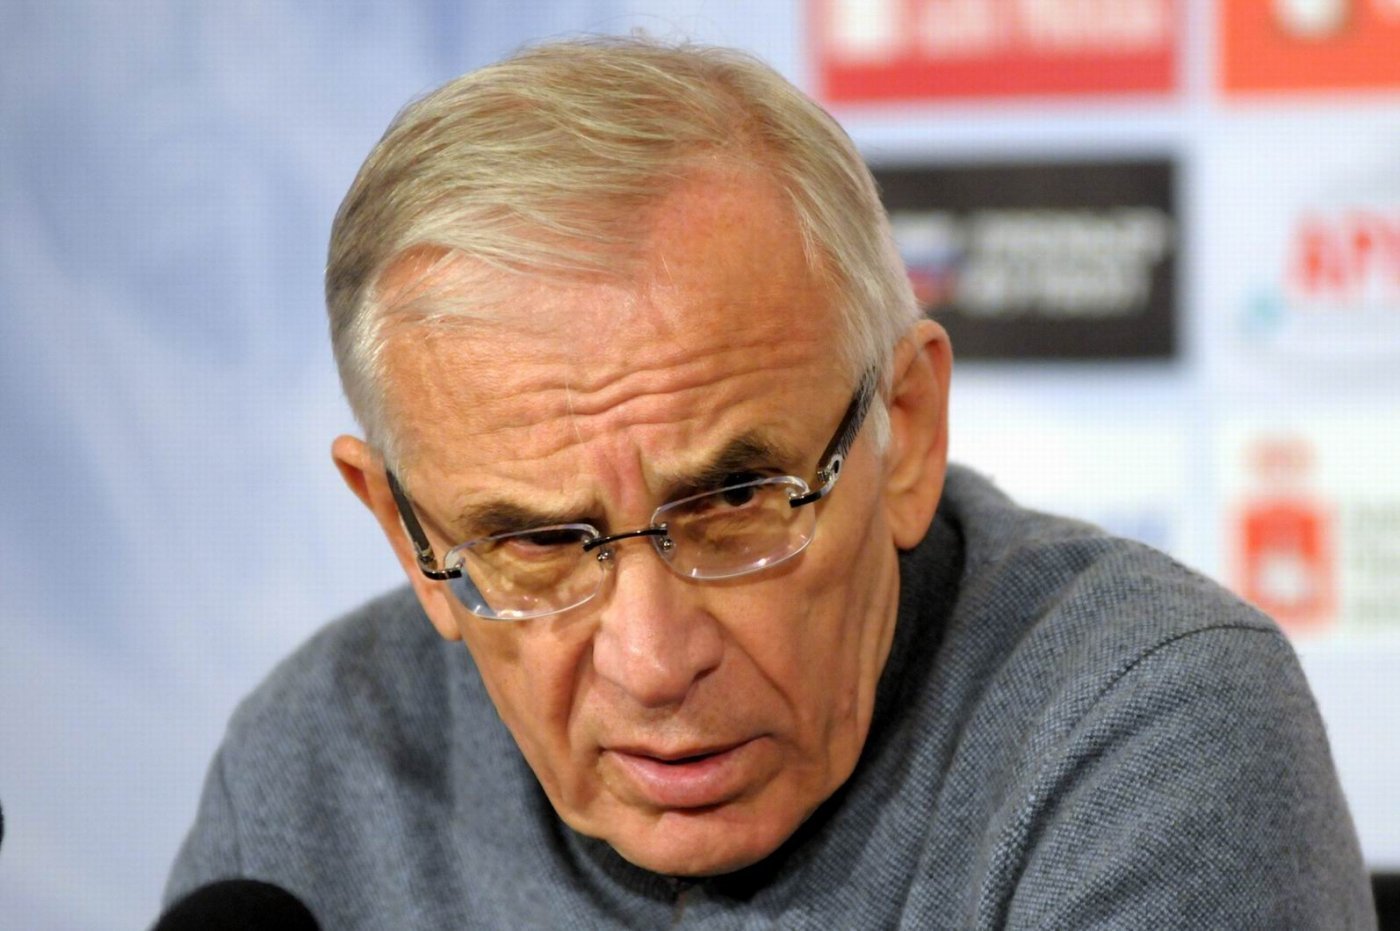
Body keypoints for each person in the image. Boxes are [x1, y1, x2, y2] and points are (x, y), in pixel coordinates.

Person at [164, 37, 1375, 928]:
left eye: (732, 504)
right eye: (536, 543)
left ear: (904, 431)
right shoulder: (311, 766)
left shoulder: (1142, 728)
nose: (651, 660)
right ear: (401, 529)